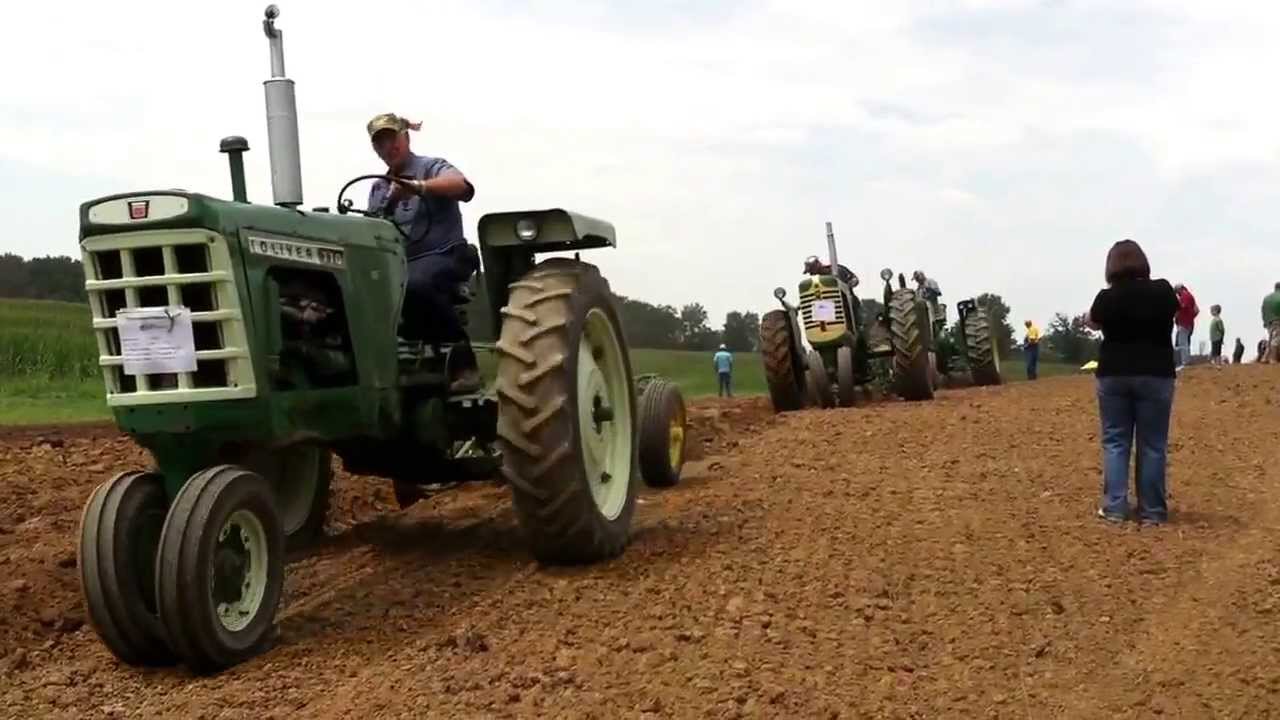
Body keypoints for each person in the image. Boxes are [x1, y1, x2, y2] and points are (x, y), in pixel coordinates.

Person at [365, 112, 480, 390]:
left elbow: (462, 187)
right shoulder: (378, 188)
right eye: (379, 143)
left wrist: (418, 188)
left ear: (405, 137)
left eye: (392, 139)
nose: (387, 148)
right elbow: (371, 230)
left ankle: (464, 361)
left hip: (444, 254)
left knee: (414, 285)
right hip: (401, 264)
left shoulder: (430, 167)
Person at [1086, 239, 1178, 525]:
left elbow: (1092, 321)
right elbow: (1176, 311)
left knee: (1115, 441)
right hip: (1156, 373)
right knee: (1152, 445)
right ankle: (1152, 512)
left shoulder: (1106, 297)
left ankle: (1114, 508)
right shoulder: (1163, 290)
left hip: (1114, 373)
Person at [1173, 283, 1199, 369]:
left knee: (1183, 343)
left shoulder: (1185, 296)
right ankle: (1185, 361)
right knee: (1184, 342)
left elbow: (1182, 308)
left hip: (1184, 322)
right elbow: (1196, 310)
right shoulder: (1189, 295)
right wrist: (1191, 317)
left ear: (1179, 289)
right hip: (1187, 322)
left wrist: (1177, 315)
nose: (1177, 294)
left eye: (1177, 291)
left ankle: (1185, 362)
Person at [1262, 281, 1280, 363]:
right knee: (1276, 340)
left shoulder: (1266, 298)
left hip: (1269, 322)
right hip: (1278, 320)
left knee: (1270, 339)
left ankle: (1265, 358)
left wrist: (1265, 321)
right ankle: (1273, 359)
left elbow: (1263, 310)